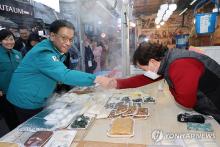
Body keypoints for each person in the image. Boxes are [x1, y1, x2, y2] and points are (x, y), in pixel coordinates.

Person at [6, 20, 103, 123]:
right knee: (31, 132)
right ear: (52, 36)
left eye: (71, 39)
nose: (68, 43)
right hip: (25, 99)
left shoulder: (56, 50)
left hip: (38, 97)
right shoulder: (43, 53)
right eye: (64, 38)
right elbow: (64, 74)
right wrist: (97, 79)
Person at [97, 42, 220, 123]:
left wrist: (171, 84)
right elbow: (144, 79)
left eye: (143, 68)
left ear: (152, 62)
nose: (144, 72)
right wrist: (116, 83)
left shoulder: (179, 65)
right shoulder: (167, 60)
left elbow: (186, 102)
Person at [0, 29, 22, 130]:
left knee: (20, 115)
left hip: (18, 91)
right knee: (10, 117)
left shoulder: (18, 53)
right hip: (4, 92)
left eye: (11, 39)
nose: (9, 42)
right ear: (0, 41)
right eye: (6, 40)